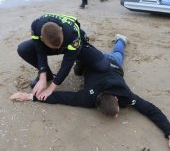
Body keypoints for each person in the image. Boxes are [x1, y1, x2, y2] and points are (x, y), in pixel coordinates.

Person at [12, 35, 170, 147]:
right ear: (114, 99)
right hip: (98, 61)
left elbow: (151, 109)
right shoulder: (90, 99)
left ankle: (121, 39)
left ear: (115, 99)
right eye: (117, 113)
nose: (117, 115)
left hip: (110, 63)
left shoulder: (122, 96)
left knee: (118, 54)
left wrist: (168, 131)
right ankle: (117, 40)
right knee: (85, 66)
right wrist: (30, 97)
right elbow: (62, 97)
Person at [17, 13, 110, 99]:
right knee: (23, 49)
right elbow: (40, 51)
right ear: (42, 38)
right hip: (52, 44)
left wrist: (51, 88)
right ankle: (48, 75)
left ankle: (80, 60)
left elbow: (67, 63)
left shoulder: (72, 33)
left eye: (59, 45)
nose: (58, 48)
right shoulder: (35, 26)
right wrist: (42, 76)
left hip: (73, 44)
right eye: (55, 47)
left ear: (61, 29)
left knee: (103, 66)